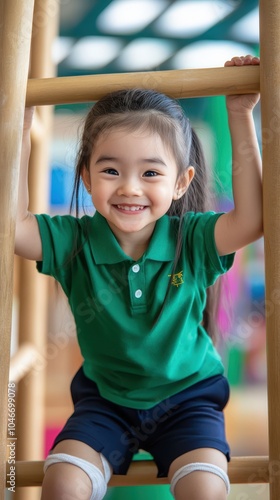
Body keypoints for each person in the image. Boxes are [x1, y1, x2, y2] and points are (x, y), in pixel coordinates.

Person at [16, 55, 262, 500]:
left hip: (189, 398)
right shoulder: (74, 241)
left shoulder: (194, 238)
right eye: (111, 170)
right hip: (105, 401)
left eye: (151, 172)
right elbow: (11, 226)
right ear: (86, 177)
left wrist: (240, 113)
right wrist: (16, 127)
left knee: (205, 489)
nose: (130, 187)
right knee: (62, 483)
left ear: (182, 182)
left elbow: (251, 221)